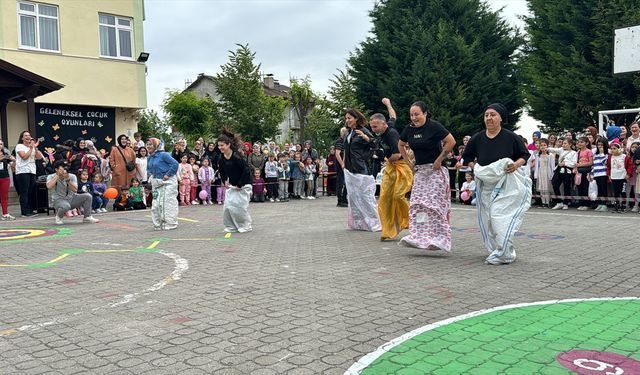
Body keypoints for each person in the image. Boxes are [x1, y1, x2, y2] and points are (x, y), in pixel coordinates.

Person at [461, 103, 531, 265]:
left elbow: (524, 155)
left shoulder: (510, 137)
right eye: (486, 115)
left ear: (501, 118)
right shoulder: (477, 138)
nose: (489, 118)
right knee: (490, 219)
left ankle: (504, 252)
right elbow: (468, 158)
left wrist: (515, 165)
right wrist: (476, 169)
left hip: (506, 184)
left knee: (499, 215)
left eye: (493, 115)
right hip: (486, 184)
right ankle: (501, 247)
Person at [398, 101, 456, 249]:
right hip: (420, 171)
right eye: (411, 115)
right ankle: (419, 236)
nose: (414, 117)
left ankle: (439, 238)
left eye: (417, 114)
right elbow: (400, 144)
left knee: (434, 204)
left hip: (436, 171)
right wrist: (409, 162)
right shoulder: (408, 129)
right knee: (417, 204)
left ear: (424, 113)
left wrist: (439, 160)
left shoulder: (434, 126)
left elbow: (451, 142)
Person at [369, 98, 413, 241]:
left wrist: (384, 158)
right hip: (391, 166)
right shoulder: (388, 124)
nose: (373, 129)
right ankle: (389, 230)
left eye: (375, 127)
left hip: (401, 165)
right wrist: (388, 104)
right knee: (384, 198)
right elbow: (393, 115)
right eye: (372, 127)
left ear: (383, 125)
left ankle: (409, 221)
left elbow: (397, 154)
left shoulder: (391, 133)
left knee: (398, 195)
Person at [343, 109, 380, 231]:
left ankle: (374, 222)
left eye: (349, 118)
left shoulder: (363, 131)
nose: (347, 120)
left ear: (356, 119)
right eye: (346, 118)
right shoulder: (349, 132)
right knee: (354, 196)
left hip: (361, 166)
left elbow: (375, 144)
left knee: (365, 196)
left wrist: (366, 137)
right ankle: (359, 222)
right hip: (349, 167)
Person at [217, 128, 253, 233]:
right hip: (233, 185)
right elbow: (222, 171)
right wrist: (225, 181)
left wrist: (240, 184)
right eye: (219, 145)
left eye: (222, 145)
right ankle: (231, 226)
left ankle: (246, 225)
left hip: (244, 185)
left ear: (228, 145)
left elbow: (246, 171)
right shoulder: (221, 158)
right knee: (228, 207)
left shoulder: (237, 156)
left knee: (239, 207)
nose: (220, 147)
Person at [46, 160, 100, 225]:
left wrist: (68, 180)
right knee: (66, 206)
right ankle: (58, 217)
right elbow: (49, 186)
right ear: (56, 169)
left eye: (64, 169)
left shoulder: (72, 176)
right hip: (58, 200)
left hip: (72, 198)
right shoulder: (51, 176)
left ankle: (87, 217)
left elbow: (75, 190)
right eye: (60, 169)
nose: (62, 171)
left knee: (88, 196)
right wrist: (57, 176)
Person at [146, 138, 179, 230]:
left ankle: (170, 223)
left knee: (166, 202)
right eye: (147, 144)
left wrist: (168, 174)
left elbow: (175, 164)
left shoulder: (164, 155)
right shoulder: (149, 158)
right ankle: (158, 224)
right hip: (157, 182)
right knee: (156, 203)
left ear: (156, 146)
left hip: (168, 181)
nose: (148, 146)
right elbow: (149, 170)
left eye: (151, 144)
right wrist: (152, 177)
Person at [15, 131, 44, 217]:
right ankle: (24, 212)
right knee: (24, 192)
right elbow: (24, 157)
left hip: (32, 171)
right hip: (22, 171)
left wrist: (36, 148)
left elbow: (38, 157)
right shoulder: (19, 146)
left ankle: (30, 210)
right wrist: (31, 148)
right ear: (22, 138)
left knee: (30, 191)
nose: (28, 137)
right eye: (26, 135)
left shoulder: (32, 147)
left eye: (29, 135)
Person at [607, 141, 632, 213]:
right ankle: (616, 205)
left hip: (622, 177)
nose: (612, 150)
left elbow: (630, 166)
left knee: (622, 192)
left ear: (619, 149)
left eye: (614, 148)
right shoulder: (610, 157)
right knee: (616, 192)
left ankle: (624, 206)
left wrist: (628, 174)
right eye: (611, 148)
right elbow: (608, 167)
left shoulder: (625, 157)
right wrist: (609, 175)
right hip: (614, 177)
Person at [532, 139, 555, 208]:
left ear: (547, 146)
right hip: (541, 173)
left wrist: (552, 175)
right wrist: (536, 175)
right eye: (541, 145)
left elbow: (552, 166)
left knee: (547, 188)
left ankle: (547, 202)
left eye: (544, 145)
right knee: (541, 188)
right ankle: (543, 202)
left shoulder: (550, 155)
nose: (543, 147)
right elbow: (536, 166)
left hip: (547, 173)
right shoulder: (537, 155)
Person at [591, 137, 609, 212]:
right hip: (597, 174)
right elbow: (593, 164)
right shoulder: (595, 154)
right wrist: (591, 174)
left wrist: (602, 153)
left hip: (603, 174)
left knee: (604, 189)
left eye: (601, 145)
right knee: (599, 190)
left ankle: (604, 204)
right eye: (598, 145)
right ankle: (600, 204)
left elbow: (605, 162)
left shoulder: (607, 153)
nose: (600, 146)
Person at [0, 140, 16, 220]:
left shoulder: (5, 155)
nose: (0, 145)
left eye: (1, 144)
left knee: (4, 196)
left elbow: (12, 161)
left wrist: (13, 159)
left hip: (5, 177)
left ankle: (5, 213)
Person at [335, 127, 349, 207]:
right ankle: (340, 200)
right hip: (340, 164)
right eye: (343, 132)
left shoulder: (346, 141)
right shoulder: (339, 141)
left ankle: (344, 198)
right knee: (340, 182)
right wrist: (342, 164)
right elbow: (337, 153)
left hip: (346, 164)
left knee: (347, 182)